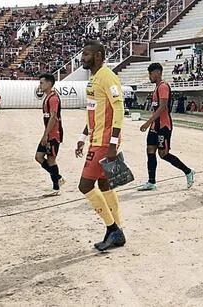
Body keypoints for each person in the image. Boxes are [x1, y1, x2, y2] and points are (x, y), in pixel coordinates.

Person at [75, 41, 126, 251]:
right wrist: (82, 135)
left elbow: (119, 109)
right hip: (96, 139)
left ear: (98, 55)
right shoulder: (93, 79)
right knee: (104, 186)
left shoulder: (107, 76)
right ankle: (118, 231)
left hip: (105, 143)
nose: (82, 58)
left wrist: (113, 143)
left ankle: (113, 228)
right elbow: (95, 113)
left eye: (86, 54)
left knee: (85, 186)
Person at [138, 63, 195, 191]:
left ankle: (188, 171)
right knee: (150, 151)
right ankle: (151, 181)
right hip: (155, 126)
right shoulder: (156, 88)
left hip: (163, 126)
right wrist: (151, 123)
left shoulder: (163, 86)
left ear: (157, 72)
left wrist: (148, 122)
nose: (149, 77)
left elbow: (162, 107)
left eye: (150, 74)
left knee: (163, 154)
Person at [35, 73, 65, 197]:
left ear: (49, 83)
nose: (40, 85)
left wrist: (46, 135)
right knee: (38, 157)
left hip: (53, 135)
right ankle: (58, 177)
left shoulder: (53, 98)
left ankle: (56, 187)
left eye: (42, 83)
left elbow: (53, 117)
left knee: (51, 159)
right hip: (49, 133)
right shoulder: (47, 97)